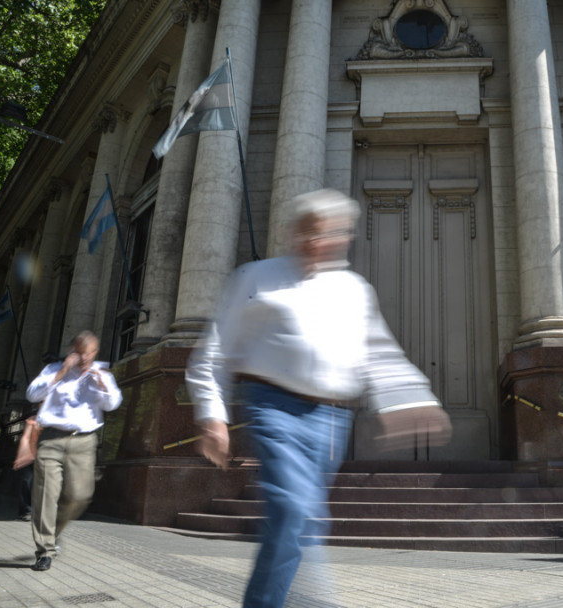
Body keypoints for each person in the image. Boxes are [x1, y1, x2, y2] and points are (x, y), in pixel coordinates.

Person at [187, 188, 452, 608]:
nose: (317, 241)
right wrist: (212, 415)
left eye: (328, 232)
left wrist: (411, 398)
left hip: (331, 421)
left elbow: (378, 353)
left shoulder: (353, 289)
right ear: (293, 233)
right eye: (309, 231)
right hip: (272, 406)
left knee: (305, 519)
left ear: (344, 237)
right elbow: (216, 351)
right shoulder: (255, 277)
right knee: (293, 510)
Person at [25, 330, 122, 572]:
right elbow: (32, 394)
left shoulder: (102, 373)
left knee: (80, 495)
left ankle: (53, 534)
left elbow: (113, 403)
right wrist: (61, 373)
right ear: (72, 351)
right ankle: (44, 550)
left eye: (89, 353)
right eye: (79, 353)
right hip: (51, 439)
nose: (84, 357)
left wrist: (100, 382)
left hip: (84, 442)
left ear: (95, 352)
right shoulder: (53, 370)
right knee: (46, 494)